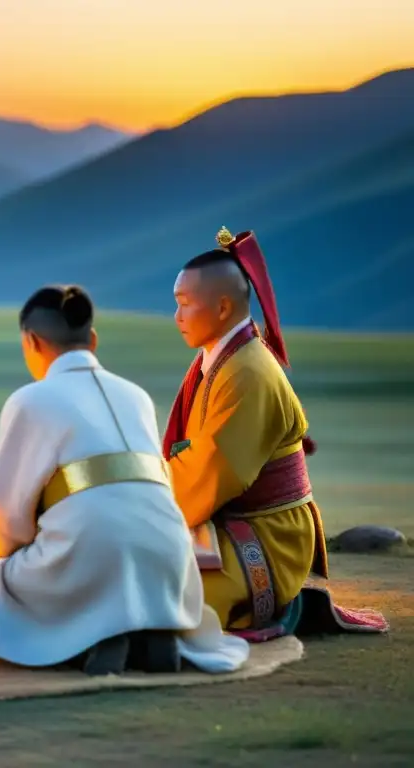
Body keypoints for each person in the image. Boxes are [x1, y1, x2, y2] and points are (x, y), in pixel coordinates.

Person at [0, 285, 249, 674]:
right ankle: (150, 630)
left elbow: (0, 511)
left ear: (32, 342)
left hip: (90, 562)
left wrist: (17, 549)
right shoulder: (137, 397)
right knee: (111, 554)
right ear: (92, 339)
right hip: (169, 563)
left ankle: (93, 638)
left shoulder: (31, 400)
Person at [165, 227, 387, 639]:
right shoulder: (220, 360)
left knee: (160, 595)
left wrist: (143, 505)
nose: (176, 317)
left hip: (265, 539)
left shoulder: (247, 372)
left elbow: (212, 472)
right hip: (227, 519)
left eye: (184, 305)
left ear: (222, 307)